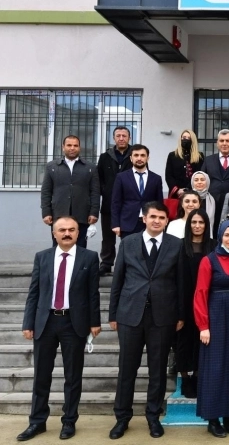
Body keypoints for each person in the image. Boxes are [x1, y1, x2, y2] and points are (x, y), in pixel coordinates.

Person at [17, 216, 101, 442]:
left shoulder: (90, 257)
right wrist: (28, 322)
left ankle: (69, 422)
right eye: (62, 230)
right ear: (54, 233)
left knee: (73, 376)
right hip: (45, 322)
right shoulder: (42, 257)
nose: (67, 233)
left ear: (78, 233)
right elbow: (33, 292)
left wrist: (95, 322)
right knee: (41, 376)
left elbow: (93, 293)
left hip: (74, 323)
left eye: (72, 230)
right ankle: (37, 422)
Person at [108, 201, 184, 440]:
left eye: (162, 218)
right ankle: (122, 418)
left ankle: (153, 416)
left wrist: (180, 315)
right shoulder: (128, 243)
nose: (157, 221)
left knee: (158, 370)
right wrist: (112, 314)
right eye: (153, 217)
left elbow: (181, 283)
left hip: (162, 317)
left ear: (166, 220)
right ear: (144, 218)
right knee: (126, 370)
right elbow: (118, 280)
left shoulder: (176, 245)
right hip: (130, 315)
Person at [194, 220, 229, 437]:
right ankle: (213, 418)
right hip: (215, 317)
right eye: (227, 235)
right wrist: (203, 326)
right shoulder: (209, 261)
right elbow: (200, 293)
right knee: (215, 368)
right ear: (219, 236)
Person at [176, 209, 215, 399]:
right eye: (194, 222)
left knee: (202, 343)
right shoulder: (180, 247)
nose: (197, 226)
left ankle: (199, 377)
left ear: (206, 225)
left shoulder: (213, 246)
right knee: (183, 343)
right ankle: (185, 378)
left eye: (201, 222)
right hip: (183, 300)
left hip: (207, 302)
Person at [40, 135, 100, 249]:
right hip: (58, 214)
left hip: (82, 215)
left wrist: (94, 212)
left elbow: (95, 192)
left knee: (80, 247)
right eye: (69, 145)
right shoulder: (52, 166)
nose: (72, 148)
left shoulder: (90, 167)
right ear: (63, 147)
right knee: (58, 247)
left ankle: (79, 267)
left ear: (79, 148)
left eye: (75, 145)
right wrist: (46, 212)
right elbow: (46, 191)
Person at [97, 126, 132, 274]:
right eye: (118, 136)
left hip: (129, 204)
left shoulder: (135, 155)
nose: (121, 138)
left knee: (128, 237)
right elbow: (99, 179)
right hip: (109, 204)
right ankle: (106, 263)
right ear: (114, 138)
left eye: (124, 135)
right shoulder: (105, 157)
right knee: (108, 236)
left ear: (129, 138)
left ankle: (128, 263)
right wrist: (105, 191)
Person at [111, 144, 164, 238]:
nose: (139, 158)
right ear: (131, 158)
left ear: (148, 158)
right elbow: (116, 202)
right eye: (136, 155)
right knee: (129, 252)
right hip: (128, 223)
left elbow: (159, 203)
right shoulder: (121, 177)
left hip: (150, 223)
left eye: (142, 155)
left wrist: (160, 223)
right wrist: (115, 224)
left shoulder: (156, 179)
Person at [165, 129, 203, 197]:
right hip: (176, 194)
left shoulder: (199, 156)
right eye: (184, 137)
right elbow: (169, 175)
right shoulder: (172, 155)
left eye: (189, 138)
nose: (186, 139)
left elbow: (199, 174)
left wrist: (187, 189)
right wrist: (177, 190)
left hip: (193, 192)